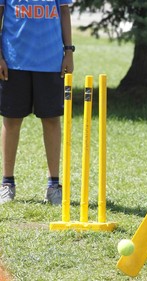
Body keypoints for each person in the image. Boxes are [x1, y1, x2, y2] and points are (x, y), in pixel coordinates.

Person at [0, 0, 74, 205]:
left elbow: (65, 13)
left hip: (51, 62)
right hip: (14, 60)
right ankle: (7, 183)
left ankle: (53, 186)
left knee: (51, 120)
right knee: (12, 120)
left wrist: (68, 51)